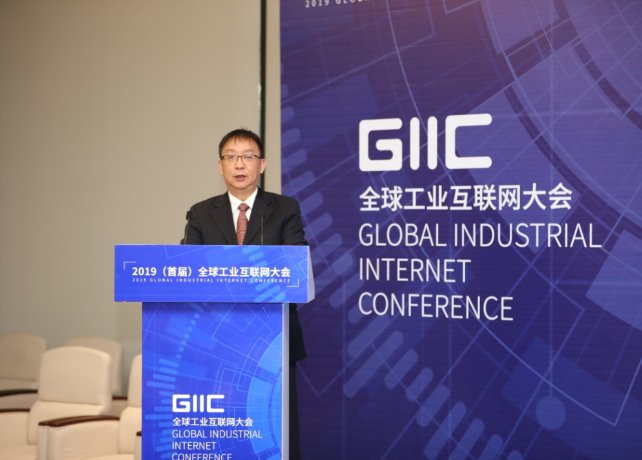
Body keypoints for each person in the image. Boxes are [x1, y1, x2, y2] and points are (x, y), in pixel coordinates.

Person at [181, 128, 307, 459]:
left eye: (248, 157)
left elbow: (295, 267)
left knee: (275, 433)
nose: (239, 164)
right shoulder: (200, 213)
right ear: (220, 165)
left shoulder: (284, 209)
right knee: (224, 435)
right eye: (231, 157)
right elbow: (189, 271)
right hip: (217, 341)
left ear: (261, 164)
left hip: (272, 342)